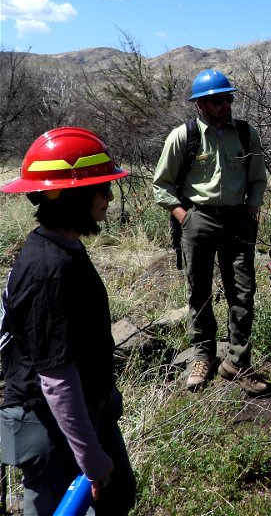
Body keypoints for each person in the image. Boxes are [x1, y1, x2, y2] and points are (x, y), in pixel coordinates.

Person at [0, 127, 137, 515]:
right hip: (52, 430)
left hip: (79, 423)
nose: (109, 197)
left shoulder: (62, 247)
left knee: (119, 495)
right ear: (73, 194)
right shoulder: (48, 270)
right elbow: (56, 379)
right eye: (101, 188)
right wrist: (91, 459)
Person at [152, 68, 269, 395]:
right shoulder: (183, 136)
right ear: (201, 104)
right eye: (218, 100)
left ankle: (237, 361)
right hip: (197, 219)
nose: (225, 105)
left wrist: (251, 211)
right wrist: (183, 216)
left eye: (228, 98)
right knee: (198, 290)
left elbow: (258, 178)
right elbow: (161, 185)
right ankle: (202, 356)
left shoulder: (246, 134)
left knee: (243, 292)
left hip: (237, 219)